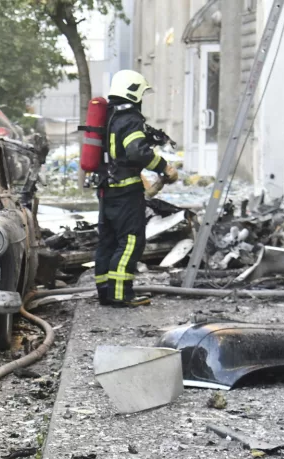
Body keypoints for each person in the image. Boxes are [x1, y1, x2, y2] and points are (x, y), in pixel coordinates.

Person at [93, 70, 179, 308]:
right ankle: (121, 294)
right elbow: (136, 152)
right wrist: (163, 167)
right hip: (125, 192)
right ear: (133, 93)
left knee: (107, 242)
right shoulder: (130, 119)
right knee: (130, 241)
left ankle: (105, 292)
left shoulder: (109, 116)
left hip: (107, 190)